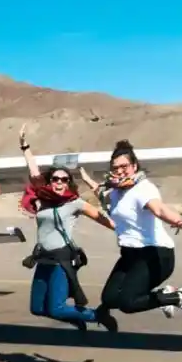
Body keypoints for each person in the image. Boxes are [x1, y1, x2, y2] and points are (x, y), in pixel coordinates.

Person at [82, 139, 182, 322]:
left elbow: (159, 209)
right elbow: (101, 195)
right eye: (115, 167)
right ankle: (165, 294)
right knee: (109, 298)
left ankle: (180, 297)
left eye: (124, 166)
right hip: (130, 255)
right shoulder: (115, 192)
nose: (120, 171)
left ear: (134, 166)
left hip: (155, 255)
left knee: (128, 303)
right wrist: (87, 180)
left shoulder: (143, 188)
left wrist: (180, 223)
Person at [17, 126, 119, 332]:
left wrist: (123, 229)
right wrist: (24, 146)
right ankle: (74, 318)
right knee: (37, 308)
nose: (59, 183)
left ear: (68, 183)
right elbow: (34, 171)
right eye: (56, 179)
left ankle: (97, 315)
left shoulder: (74, 203)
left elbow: (102, 218)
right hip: (43, 259)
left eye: (64, 179)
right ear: (50, 181)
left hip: (61, 261)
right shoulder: (42, 199)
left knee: (56, 309)